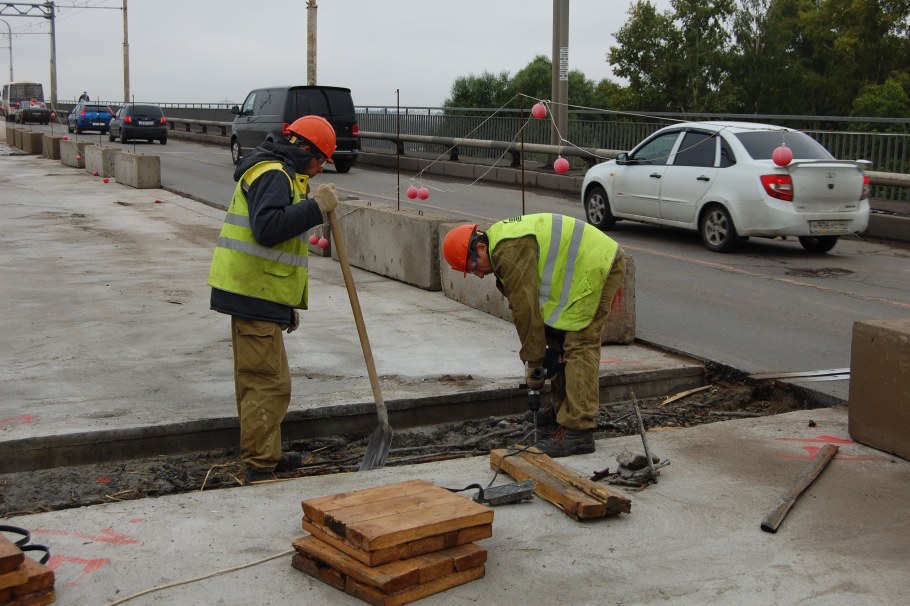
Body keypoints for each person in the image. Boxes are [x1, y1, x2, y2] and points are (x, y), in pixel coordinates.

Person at [208, 115, 340, 485]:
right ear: (303, 150)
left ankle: (265, 454)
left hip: (258, 295)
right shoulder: (273, 175)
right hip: (252, 295)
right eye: (320, 160)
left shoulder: (279, 172)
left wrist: (285, 306)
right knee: (267, 383)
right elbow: (267, 229)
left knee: (266, 379)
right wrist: (315, 208)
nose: (320, 168)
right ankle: (260, 465)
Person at [442, 213, 626, 457]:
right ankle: (562, 411)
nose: (477, 274)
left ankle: (579, 430)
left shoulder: (508, 250)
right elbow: (532, 312)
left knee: (580, 344)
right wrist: (544, 348)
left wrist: (534, 362)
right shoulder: (501, 245)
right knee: (559, 341)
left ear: (480, 247)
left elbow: (526, 311)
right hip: (582, 270)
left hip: (597, 265)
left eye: (473, 266)